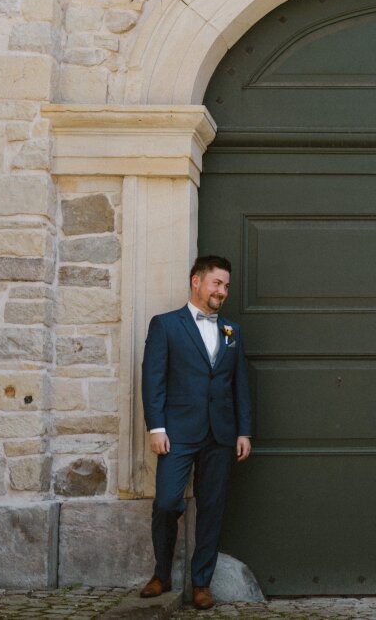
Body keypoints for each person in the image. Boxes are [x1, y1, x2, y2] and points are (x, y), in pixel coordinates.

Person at [139, 255, 253, 611]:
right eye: (217, 283)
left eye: (227, 286)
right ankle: (162, 574)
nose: (223, 291)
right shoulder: (166, 325)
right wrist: (156, 427)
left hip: (221, 434)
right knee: (167, 502)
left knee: (212, 508)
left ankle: (202, 582)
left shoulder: (232, 331)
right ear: (196, 282)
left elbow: (240, 385)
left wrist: (244, 431)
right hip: (178, 433)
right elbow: (152, 379)